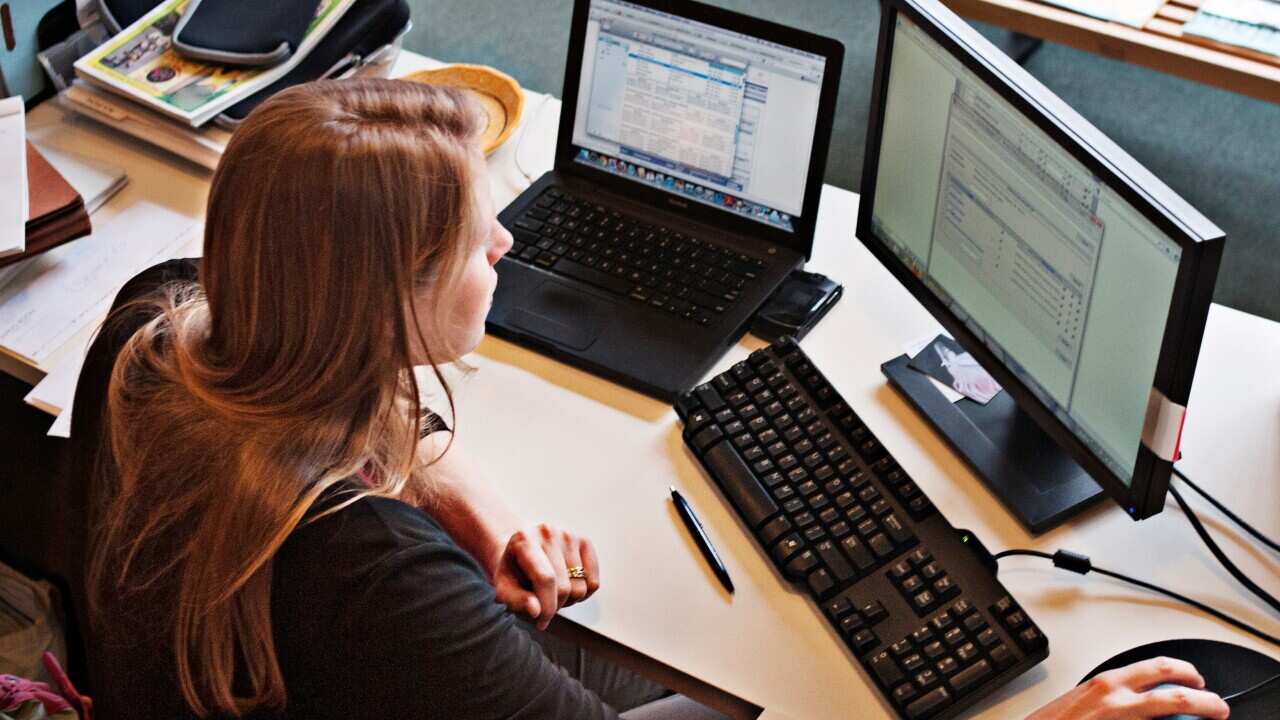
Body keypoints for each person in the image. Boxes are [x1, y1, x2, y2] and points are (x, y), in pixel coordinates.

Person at [68, 78, 1231, 720]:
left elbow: (316, 397)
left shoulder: (158, 328)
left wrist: (456, 491)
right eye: (478, 245)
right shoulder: (372, 582)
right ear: (386, 307)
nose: (507, 244)